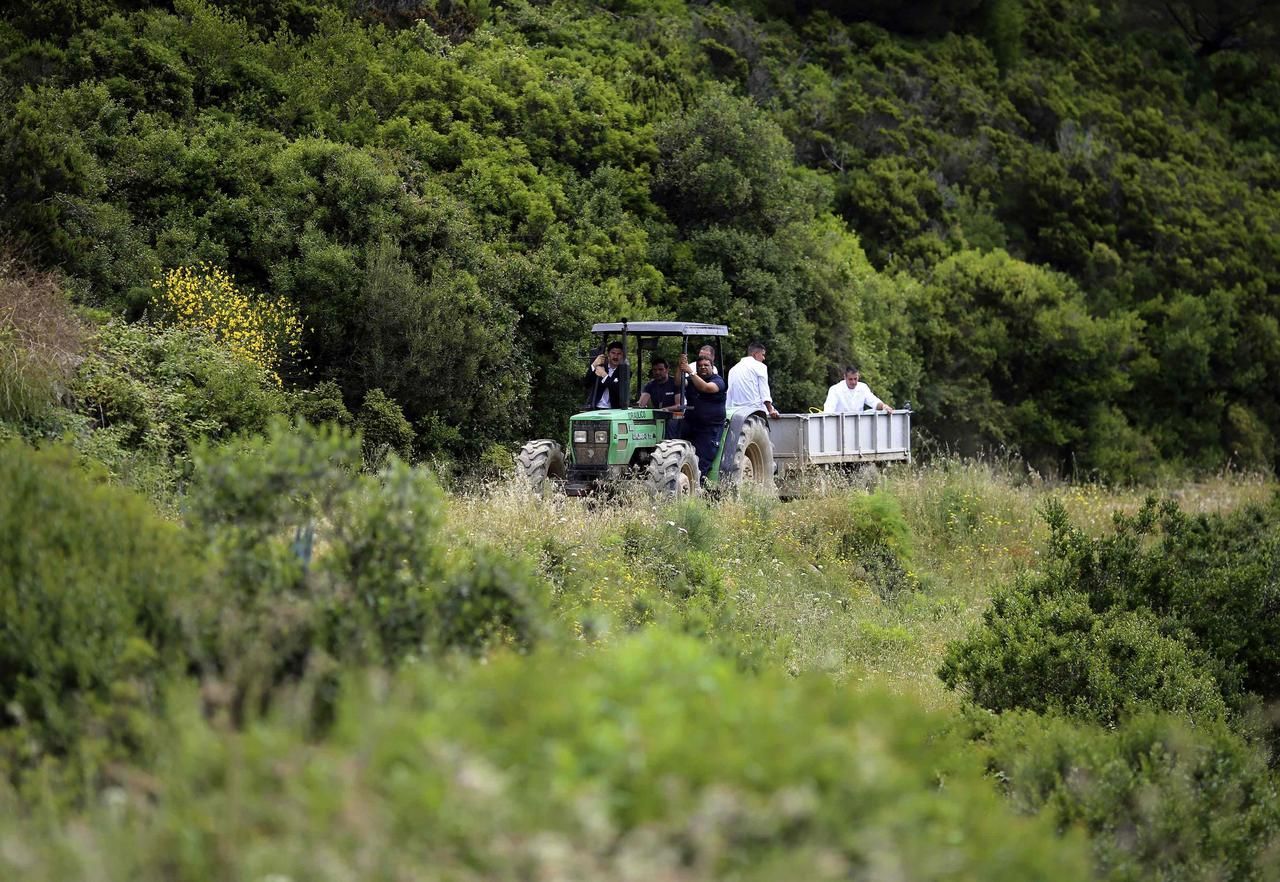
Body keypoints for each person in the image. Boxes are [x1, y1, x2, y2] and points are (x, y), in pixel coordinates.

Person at [677, 352, 727, 479]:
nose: (703, 367)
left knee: (702, 462)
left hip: (710, 428)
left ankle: (700, 490)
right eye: (700, 366)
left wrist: (690, 371)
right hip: (691, 425)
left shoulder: (718, 381)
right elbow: (678, 383)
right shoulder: (691, 379)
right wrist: (680, 366)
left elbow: (706, 388)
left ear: (712, 367)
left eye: (706, 365)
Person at [725, 341, 781, 418]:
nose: (764, 358)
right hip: (755, 412)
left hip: (736, 413)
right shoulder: (760, 366)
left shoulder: (733, 370)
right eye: (763, 355)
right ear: (755, 354)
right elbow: (764, 391)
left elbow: (729, 393)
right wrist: (770, 410)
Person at [823, 366, 894, 414]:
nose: (853, 382)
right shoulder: (835, 389)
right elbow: (829, 410)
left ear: (858, 376)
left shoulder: (863, 387)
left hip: (858, 426)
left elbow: (873, 401)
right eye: (850, 379)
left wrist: (884, 406)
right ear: (845, 377)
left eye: (855, 379)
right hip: (839, 426)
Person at [584, 340, 630, 409]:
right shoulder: (601, 367)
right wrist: (594, 364)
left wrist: (604, 375)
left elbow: (619, 390)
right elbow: (586, 383)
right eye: (613, 353)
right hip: (595, 408)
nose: (615, 356)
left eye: (619, 354)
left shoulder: (624, 372)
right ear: (608, 354)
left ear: (622, 356)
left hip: (613, 410)